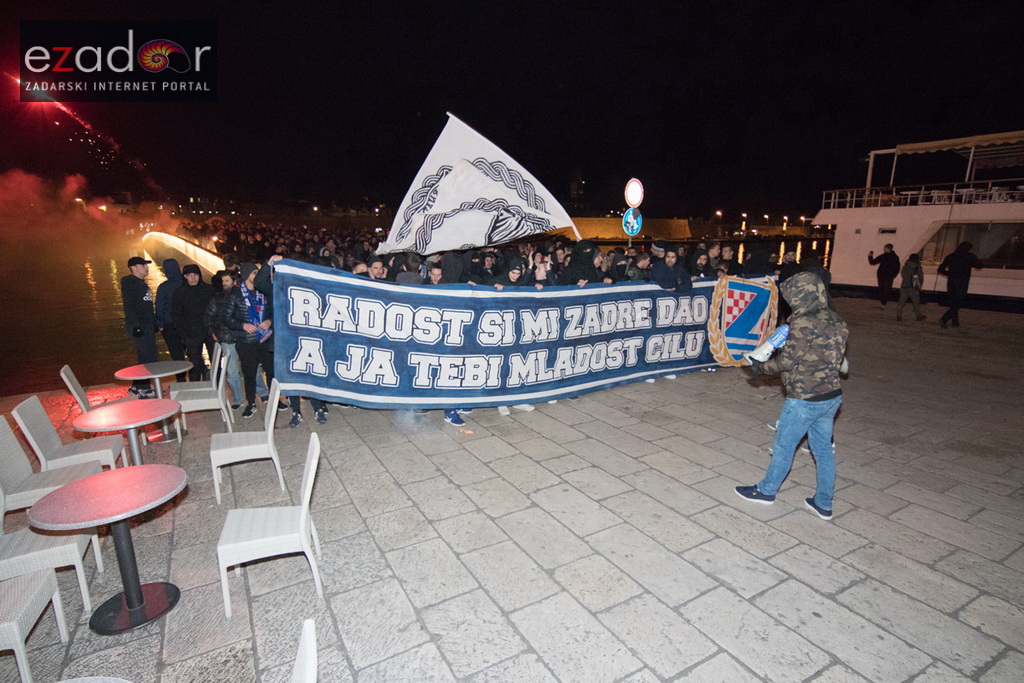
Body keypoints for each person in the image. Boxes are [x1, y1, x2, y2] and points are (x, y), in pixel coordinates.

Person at [736, 271, 849, 520]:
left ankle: (766, 491)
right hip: (831, 396)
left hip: (804, 397)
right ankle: (823, 503)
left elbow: (788, 360)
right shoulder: (837, 320)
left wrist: (761, 368)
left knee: (784, 447)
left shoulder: (805, 321)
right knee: (823, 452)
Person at [224, 262, 280, 418]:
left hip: (265, 339)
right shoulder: (234, 294)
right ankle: (251, 403)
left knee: (271, 371)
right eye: (255, 273)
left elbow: (273, 311)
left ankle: (275, 400)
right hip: (246, 341)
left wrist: (269, 321)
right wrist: (243, 325)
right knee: (249, 374)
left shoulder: (264, 291)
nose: (258, 276)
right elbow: (226, 318)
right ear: (247, 275)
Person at [120, 256, 157, 397]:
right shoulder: (131, 284)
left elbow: (146, 306)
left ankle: (138, 386)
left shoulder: (141, 283)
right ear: (133, 268)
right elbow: (129, 307)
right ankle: (143, 386)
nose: (146, 268)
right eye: (143, 265)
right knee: (148, 356)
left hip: (147, 325)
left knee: (145, 356)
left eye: (146, 265)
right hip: (140, 326)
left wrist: (153, 322)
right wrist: (135, 326)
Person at [171, 264, 215, 381]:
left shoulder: (209, 290)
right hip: (191, 334)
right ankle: (195, 387)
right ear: (185, 277)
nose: (193, 278)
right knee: (194, 366)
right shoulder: (179, 293)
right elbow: (176, 314)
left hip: (209, 332)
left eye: (195, 275)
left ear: (199, 275)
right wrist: (183, 333)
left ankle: (217, 386)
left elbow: (216, 311)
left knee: (216, 362)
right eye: (189, 275)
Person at [937, 241, 983, 329]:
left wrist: (950, 274)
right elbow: (979, 266)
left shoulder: (951, 256)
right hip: (962, 281)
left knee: (953, 302)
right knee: (958, 302)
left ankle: (955, 322)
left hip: (951, 281)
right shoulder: (969, 256)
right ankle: (944, 319)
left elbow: (940, 269)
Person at [154, 258, 187, 381]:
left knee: (177, 355)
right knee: (193, 353)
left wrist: (160, 324)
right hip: (187, 325)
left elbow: (159, 307)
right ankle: (198, 377)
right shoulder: (186, 284)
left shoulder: (163, 287)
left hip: (170, 326)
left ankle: (181, 379)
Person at [896, 253, 927, 322]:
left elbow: (903, 275)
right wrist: (919, 286)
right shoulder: (917, 267)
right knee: (916, 303)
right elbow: (920, 277)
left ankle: (899, 315)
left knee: (901, 302)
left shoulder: (905, 266)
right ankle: (919, 316)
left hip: (904, 286)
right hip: (914, 287)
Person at [867, 243, 900, 308]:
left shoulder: (884, 256)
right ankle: (883, 303)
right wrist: (893, 275)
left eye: (885, 248)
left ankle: (883, 303)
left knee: (883, 289)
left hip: (883, 275)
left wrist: (870, 256)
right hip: (887, 275)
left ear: (888, 249)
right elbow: (897, 267)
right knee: (885, 289)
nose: (884, 249)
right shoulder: (895, 257)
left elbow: (873, 262)